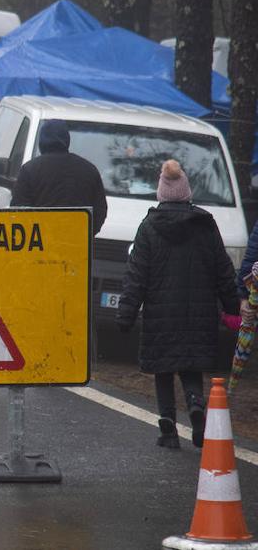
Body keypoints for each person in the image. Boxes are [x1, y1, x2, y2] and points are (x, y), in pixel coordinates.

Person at [116, 160, 240, 449]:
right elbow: (223, 269)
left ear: (160, 193)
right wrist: (233, 306)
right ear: (187, 193)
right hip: (199, 313)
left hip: (161, 313)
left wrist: (126, 313)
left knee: (164, 370)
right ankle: (196, 405)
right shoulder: (205, 225)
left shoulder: (149, 227)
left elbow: (137, 274)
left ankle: (168, 426)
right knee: (191, 366)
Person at [11, 119, 108, 236]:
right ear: (67, 140)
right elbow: (100, 210)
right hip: (77, 245)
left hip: (39, 245)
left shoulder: (29, 169)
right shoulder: (89, 170)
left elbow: (19, 210)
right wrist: (84, 235)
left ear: (41, 142)